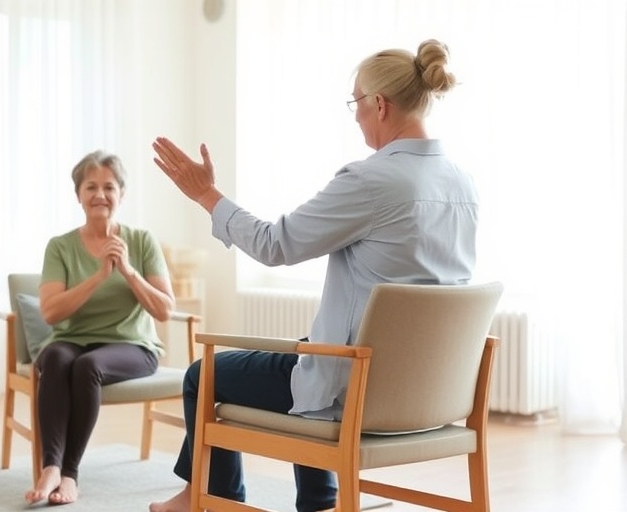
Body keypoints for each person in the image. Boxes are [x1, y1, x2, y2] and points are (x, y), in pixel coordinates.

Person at [148, 39, 477, 512]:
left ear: (379, 105)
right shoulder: (463, 185)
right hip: (432, 392)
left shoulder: (371, 181)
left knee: (205, 374)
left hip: (358, 391)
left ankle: (207, 498)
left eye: (357, 104)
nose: (356, 116)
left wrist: (206, 195)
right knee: (314, 349)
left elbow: (274, 244)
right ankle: (320, 501)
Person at [25, 150, 176, 505]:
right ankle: (50, 468)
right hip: (72, 340)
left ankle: (70, 475)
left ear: (121, 194)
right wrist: (99, 276)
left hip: (133, 346)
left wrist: (127, 270)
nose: (99, 195)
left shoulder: (141, 241)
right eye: (90, 186)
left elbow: (165, 309)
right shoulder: (60, 247)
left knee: (87, 367)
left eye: (109, 186)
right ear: (78, 194)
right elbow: (50, 312)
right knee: (57, 359)